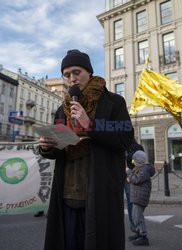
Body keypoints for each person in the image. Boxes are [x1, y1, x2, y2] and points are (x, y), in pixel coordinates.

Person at [39, 49, 134, 250]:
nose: (71, 79)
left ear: (89, 72)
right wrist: (47, 147)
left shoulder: (114, 102)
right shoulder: (61, 109)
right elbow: (60, 150)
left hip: (100, 193)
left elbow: (125, 136)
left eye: (76, 72)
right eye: (67, 75)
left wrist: (90, 125)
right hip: (67, 193)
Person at [127, 150, 155, 246]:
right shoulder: (138, 168)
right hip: (136, 196)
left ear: (139, 161)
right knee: (135, 217)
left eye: (134, 161)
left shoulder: (144, 169)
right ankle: (139, 233)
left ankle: (143, 237)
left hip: (140, 197)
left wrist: (129, 176)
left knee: (138, 217)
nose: (133, 163)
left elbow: (137, 179)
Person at [125, 138, 144, 232]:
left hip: (129, 174)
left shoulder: (128, 147)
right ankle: (135, 225)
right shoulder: (138, 147)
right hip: (133, 174)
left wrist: (130, 163)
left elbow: (132, 159)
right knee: (132, 201)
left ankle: (135, 226)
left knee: (131, 201)